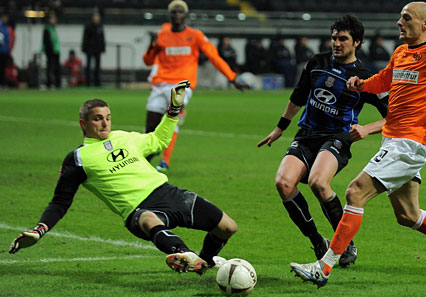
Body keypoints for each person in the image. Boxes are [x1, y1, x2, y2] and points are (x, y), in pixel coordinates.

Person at [290, 2, 426, 288]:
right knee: (408, 215)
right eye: (400, 17)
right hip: (394, 140)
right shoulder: (402, 53)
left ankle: (324, 267)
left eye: (406, 18)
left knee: (355, 192)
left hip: (409, 143)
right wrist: (362, 84)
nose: (399, 22)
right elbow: (386, 79)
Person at [8, 81, 237, 274]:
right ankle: (182, 254)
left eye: (107, 117)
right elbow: (60, 201)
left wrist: (173, 109)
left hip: (168, 193)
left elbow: (158, 140)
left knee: (227, 226)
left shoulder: (124, 137)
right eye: (97, 118)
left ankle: (203, 263)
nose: (105, 122)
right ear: (83, 124)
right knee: (149, 220)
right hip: (138, 210)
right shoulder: (78, 158)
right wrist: (40, 230)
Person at [258, 16, 388, 268]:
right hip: (307, 134)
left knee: (318, 182)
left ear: (357, 42)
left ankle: (345, 244)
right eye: (334, 38)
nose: (336, 43)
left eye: (343, 39)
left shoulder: (366, 76)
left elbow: (393, 115)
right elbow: (298, 96)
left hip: (337, 137)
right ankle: (318, 241)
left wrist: (367, 128)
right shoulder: (316, 63)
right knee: (283, 183)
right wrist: (279, 128)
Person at [143, 0, 249, 172]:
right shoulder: (161, 35)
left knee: (172, 117)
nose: (177, 14)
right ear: (170, 15)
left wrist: (232, 77)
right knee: (151, 128)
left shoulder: (196, 35)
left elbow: (214, 57)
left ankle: (165, 161)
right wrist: (151, 45)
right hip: (160, 84)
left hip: (182, 84)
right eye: (174, 12)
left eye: (180, 12)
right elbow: (148, 61)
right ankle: (148, 157)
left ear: (185, 15)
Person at [81, 11, 105, 87]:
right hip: (89, 49)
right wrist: (84, 48)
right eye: (95, 17)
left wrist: (103, 47)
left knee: (97, 67)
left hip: (98, 49)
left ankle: (97, 83)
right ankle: (87, 83)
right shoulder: (88, 26)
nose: (97, 18)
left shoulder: (100, 26)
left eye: (98, 17)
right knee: (88, 66)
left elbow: (102, 38)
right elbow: (85, 38)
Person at [42, 12, 61, 89]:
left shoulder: (53, 29)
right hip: (50, 52)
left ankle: (56, 83)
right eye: (52, 19)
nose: (54, 21)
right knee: (50, 68)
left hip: (56, 51)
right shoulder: (47, 29)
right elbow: (46, 42)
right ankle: (49, 83)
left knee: (56, 68)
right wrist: (50, 50)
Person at [0, 12, 10, 88]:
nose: (6, 19)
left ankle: (3, 83)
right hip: (0, 50)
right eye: (4, 18)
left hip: (5, 51)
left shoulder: (6, 27)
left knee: (3, 68)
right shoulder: (0, 26)